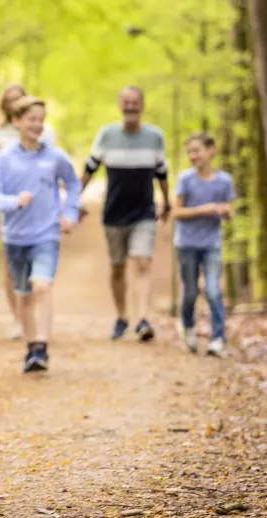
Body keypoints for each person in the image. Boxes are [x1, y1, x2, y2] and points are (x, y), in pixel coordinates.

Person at [0, 96, 81, 373]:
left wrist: (70, 214)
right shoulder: (3, 159)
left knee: (42, 286)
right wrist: (14, 201)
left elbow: (73, 184)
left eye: (41, 120)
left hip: (46, 234)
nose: (37, 125)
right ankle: (31, 349)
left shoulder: (55, 156)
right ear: (16, 121)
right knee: (24, 295)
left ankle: (42, 345)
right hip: (15, 237)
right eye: (31, 119)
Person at [81, 86, 170, 342]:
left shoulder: (155, 137)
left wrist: (166, 201)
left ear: (142, 106)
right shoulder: (106, 135)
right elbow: (90, 168)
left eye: (135, 102)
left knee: (142, 262)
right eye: (126, 102)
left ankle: (142, 319)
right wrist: (74, 199)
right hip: (114, 212)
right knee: (117, 267)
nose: (131, 107)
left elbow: (162, 173)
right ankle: (121, 317)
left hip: (144, 212)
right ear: (121, 106)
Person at [0, 83, 56, 341]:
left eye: (19, 98)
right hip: (9, 209)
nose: (14, 102)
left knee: (37, 267)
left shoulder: (45, 132)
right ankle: (18, 319)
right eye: (10, 100)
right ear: (5, 107)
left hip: (39, 209)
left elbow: (53, 167)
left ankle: (30, 317)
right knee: (10, 267)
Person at [172, 133, 235, 357]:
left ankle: (218, 338)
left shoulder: (224, 181)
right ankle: (187, 327)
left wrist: (226, 212)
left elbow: (230, 210)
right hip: (187, 243)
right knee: (190, 292)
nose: (193, 156)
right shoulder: (186, 180)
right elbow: (176, 212)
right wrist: (205, 209)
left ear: (211, 150)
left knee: (213, 290)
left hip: (212, 244)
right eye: (190, 152)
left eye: (197, 150)